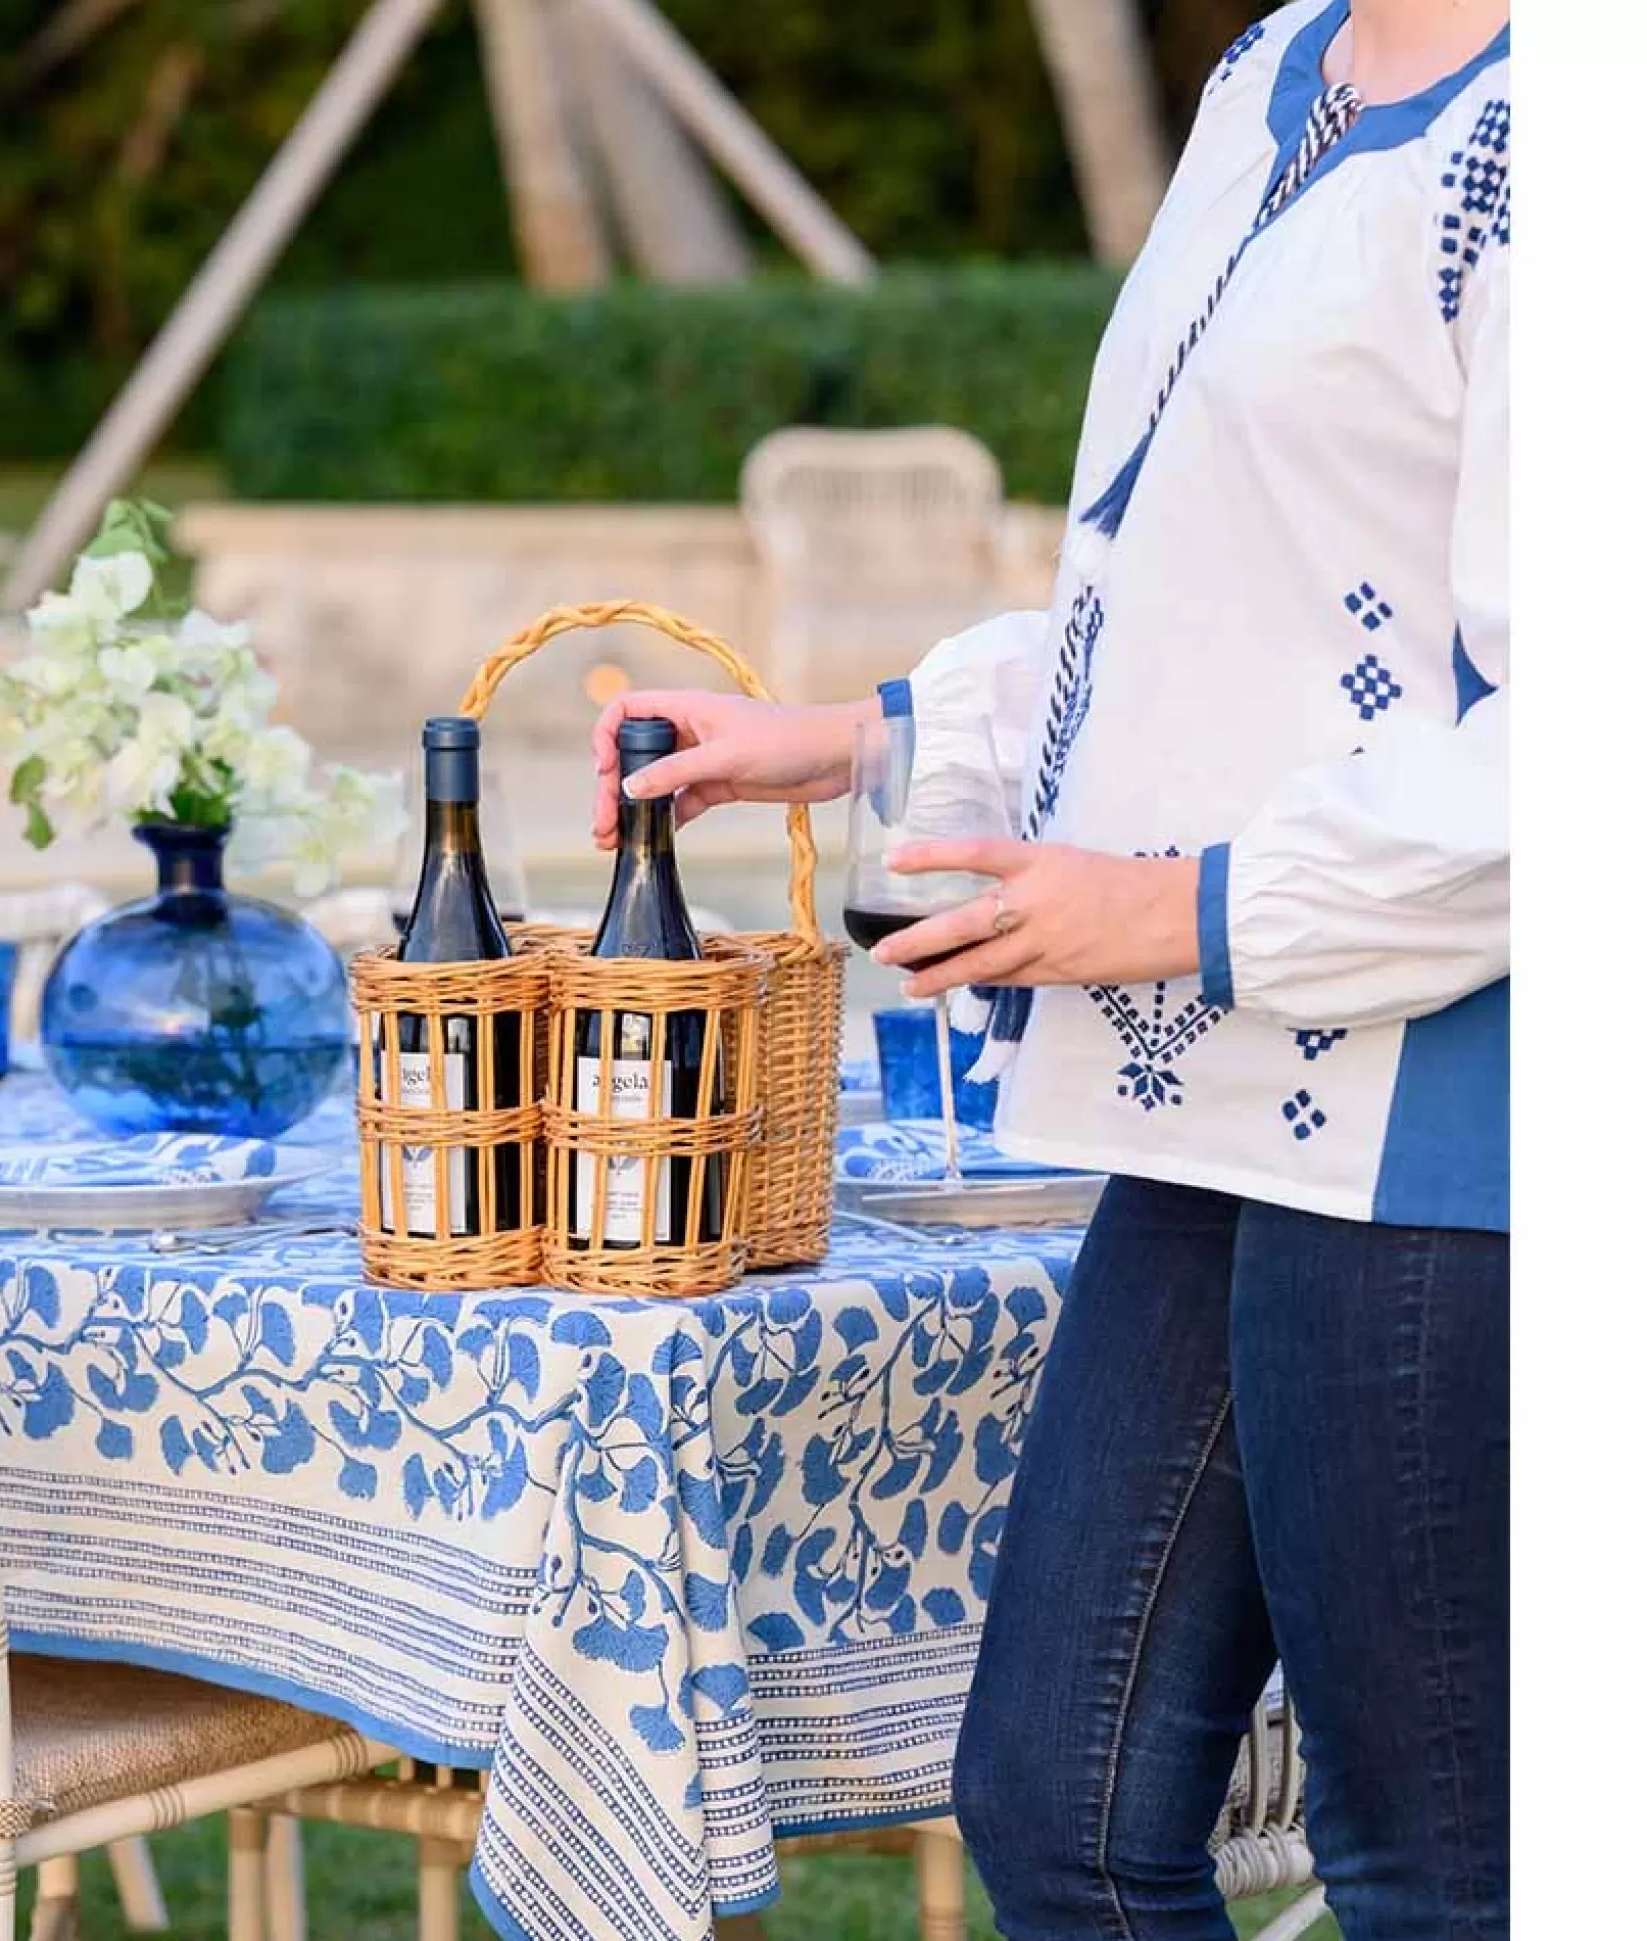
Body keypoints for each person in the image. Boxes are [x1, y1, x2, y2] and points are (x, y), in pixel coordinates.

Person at [590, 2, 1510, 1935]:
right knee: (1059, 1811)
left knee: (1441, 1876)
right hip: (1227, 1085)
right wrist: (851, 736)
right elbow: (1181, 592)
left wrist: (1170, 909)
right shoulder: (1276, 72)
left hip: (1453, 1115)